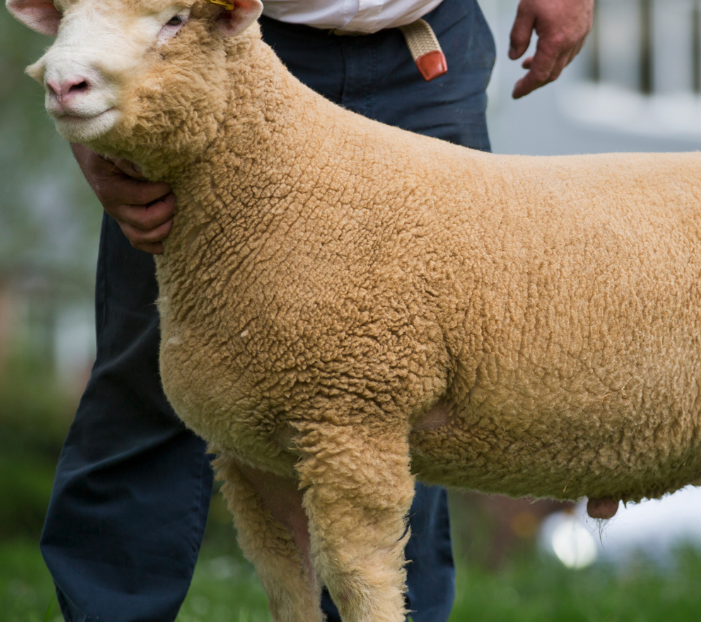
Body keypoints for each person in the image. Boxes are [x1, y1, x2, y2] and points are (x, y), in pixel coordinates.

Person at [39, 0, 594, 619]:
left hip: (422, 47)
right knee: (158, 367)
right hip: (216, 42)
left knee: (409, 386)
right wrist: (93, 103)